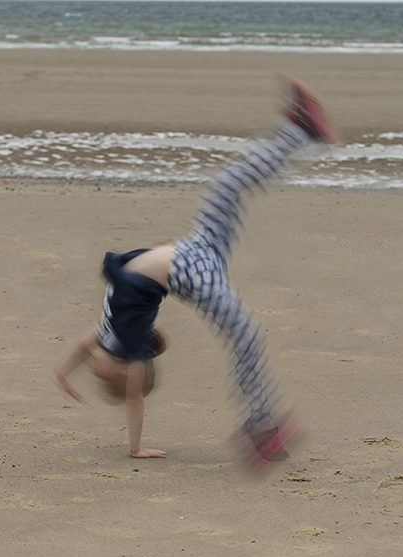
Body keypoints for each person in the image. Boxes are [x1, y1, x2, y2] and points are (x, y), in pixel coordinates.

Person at [53, 76, 336, 467]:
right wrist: (135, 449)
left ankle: (298, 131)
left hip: (199, 248)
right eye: (98, 372)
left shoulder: (103, 338)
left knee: (226, 185)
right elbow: (133, 401)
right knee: (245, 335)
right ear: (121, 371)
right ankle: (261, 429)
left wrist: (63, 376)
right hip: (193, 276)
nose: (93, 364)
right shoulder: (131, 353)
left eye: (92, 368)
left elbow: (81, 348)